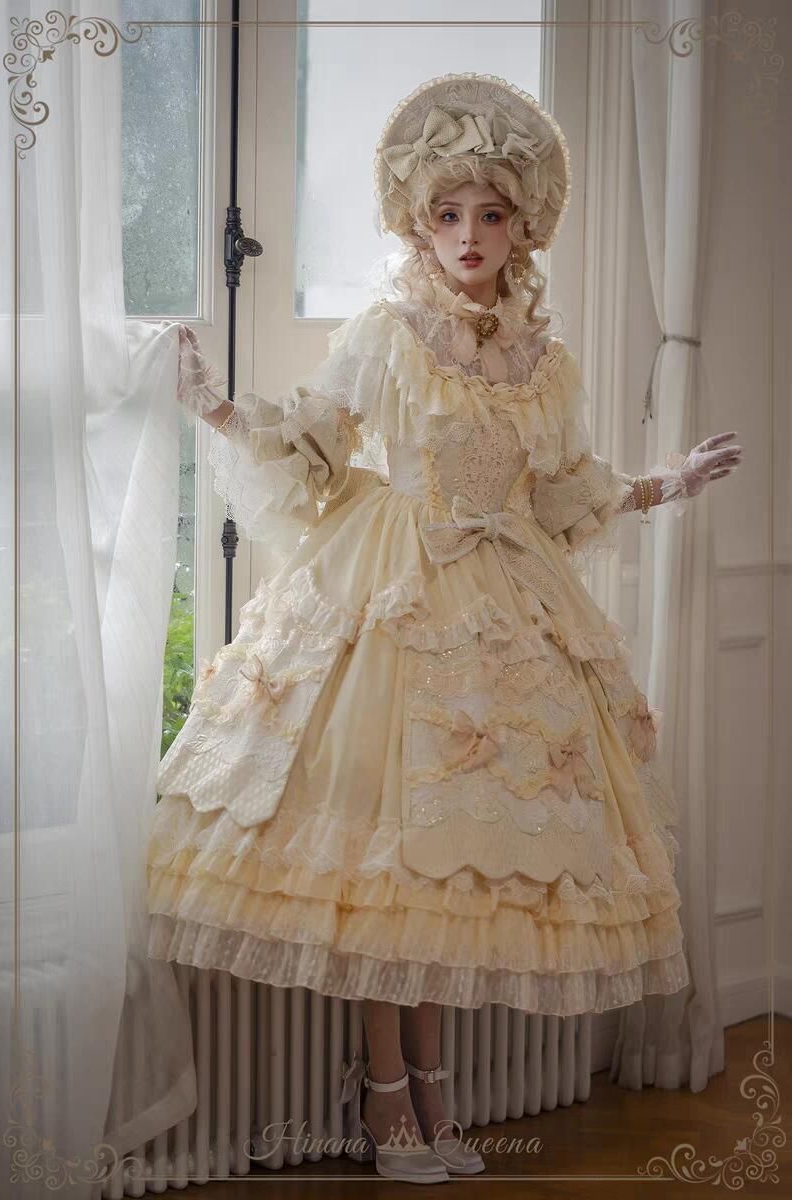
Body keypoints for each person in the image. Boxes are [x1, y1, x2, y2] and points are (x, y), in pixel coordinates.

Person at [146, 73, 742, 1183]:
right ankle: (387, 1100)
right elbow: (315, 444)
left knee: (450, 868)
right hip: (395, 587)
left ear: (523, 229)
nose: (469, 236)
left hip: (506, 597)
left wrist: (667, 482)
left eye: (491, 214)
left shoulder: (545, 364)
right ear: (419, 226)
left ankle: (431, 1090)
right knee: (388, 862)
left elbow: (563, 493)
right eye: (447, 215)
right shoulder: (390, 333)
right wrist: (214, 405)